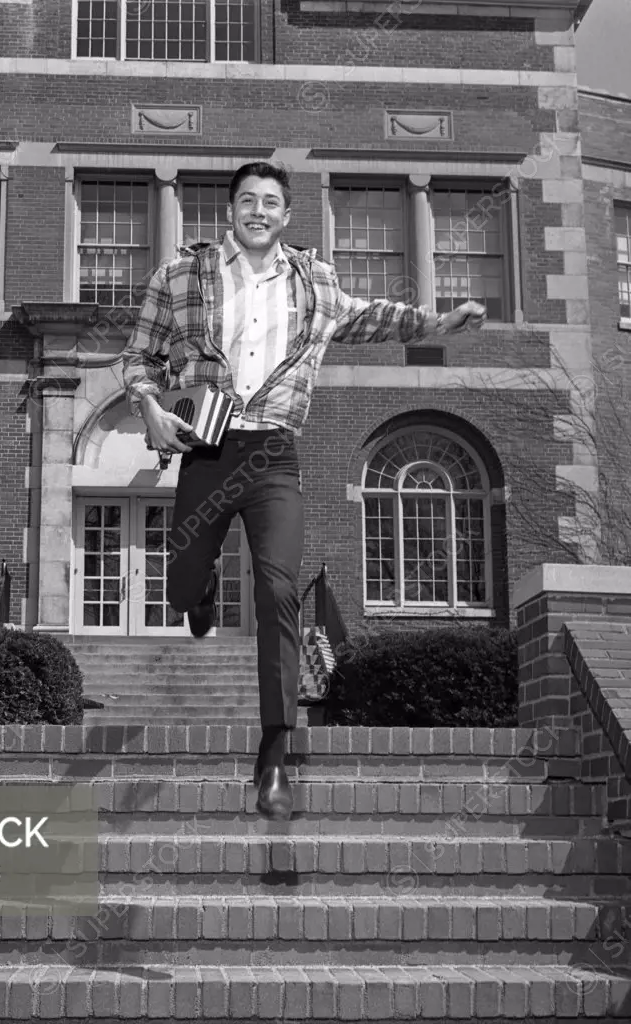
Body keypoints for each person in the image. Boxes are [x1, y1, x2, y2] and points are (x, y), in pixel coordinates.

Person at [122, 162, 486, 821]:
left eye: (270, 202)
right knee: (179, 586)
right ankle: (197, 593)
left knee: (279, 592)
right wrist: (149, 409)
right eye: (247, 201)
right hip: (206, 448)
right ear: (229, 210)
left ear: (286, 215)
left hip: (274, 454)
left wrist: (438, 323)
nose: (258, 211)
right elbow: (138, 357)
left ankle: (274, 759)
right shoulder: (179, 276)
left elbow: (372, 317)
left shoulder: (313, 282)